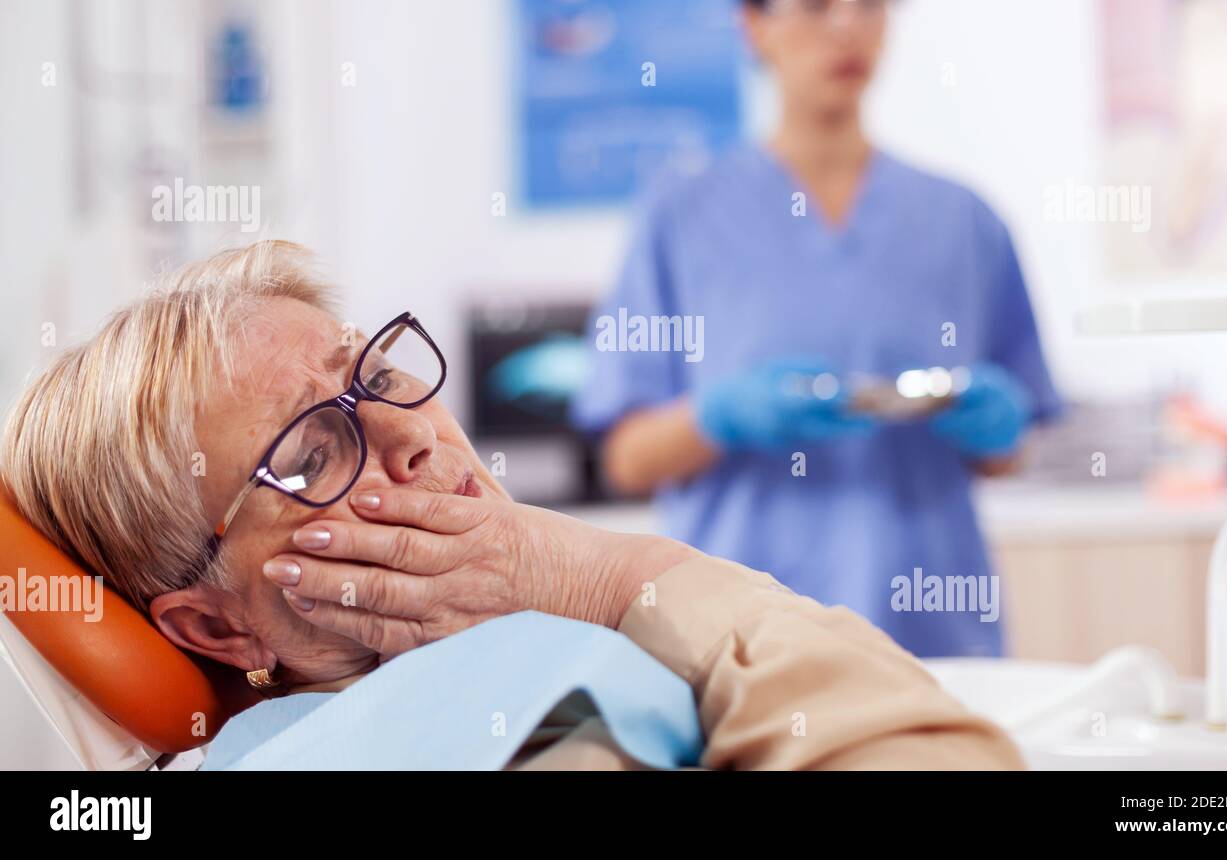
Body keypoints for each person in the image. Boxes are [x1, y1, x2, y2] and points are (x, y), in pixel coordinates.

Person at [1, 240, 1021, 769]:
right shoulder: (470, 727)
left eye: (380, 372)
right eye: (310, 450)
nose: (411, 430)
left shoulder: (516, 658)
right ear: (215, 623)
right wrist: (604, 571)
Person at [572, 0, 1060, 657]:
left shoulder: (965, 222)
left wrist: (995, 423)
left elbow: (1009, 449)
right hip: (740, 649)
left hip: (934, 644)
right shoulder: (680, 217)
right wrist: (720, 416)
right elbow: (627, 457)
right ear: (752, 25)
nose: (846, 24)